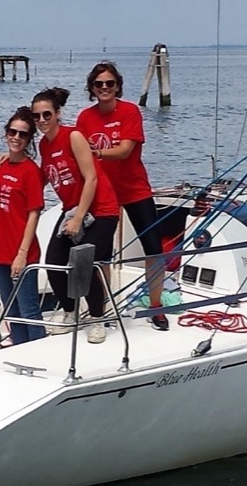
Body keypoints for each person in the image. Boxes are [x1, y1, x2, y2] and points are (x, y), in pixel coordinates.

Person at [76, 61, 170, 331]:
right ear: (92, 88)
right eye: (99, 84)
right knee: (102, 254)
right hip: (103, 194)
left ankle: (156, 306)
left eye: (110, 83)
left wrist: (96, 152)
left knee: (153, 248)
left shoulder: (129, 111)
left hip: (134, 189)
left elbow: (125, 150)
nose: (104, 88)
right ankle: (103, 309)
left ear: (117, 86)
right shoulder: (85, 117)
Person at [32, 87, 119, 344]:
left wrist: (79, 218)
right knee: (54, 262)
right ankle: (71, 313)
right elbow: (43, 177)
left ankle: (97, 318)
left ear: (57, 113)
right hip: (71, 209)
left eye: (47, 114)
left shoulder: (73, 136)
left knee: (84, 262)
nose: (42, 120)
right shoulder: (44, 144)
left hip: (101, 210)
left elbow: (91, 178)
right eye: (36, 116)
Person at [0, 108, 46, 345]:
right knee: (11, 310)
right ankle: (19, 349)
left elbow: (34, 213)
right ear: (6, 133)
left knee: (29, 310)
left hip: (21, 252)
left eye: (23, 134)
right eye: (13, 132)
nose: (16, 137)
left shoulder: (30, 171)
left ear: (29, 139)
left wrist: (22, 254)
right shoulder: (0, 166)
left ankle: (37, 352)